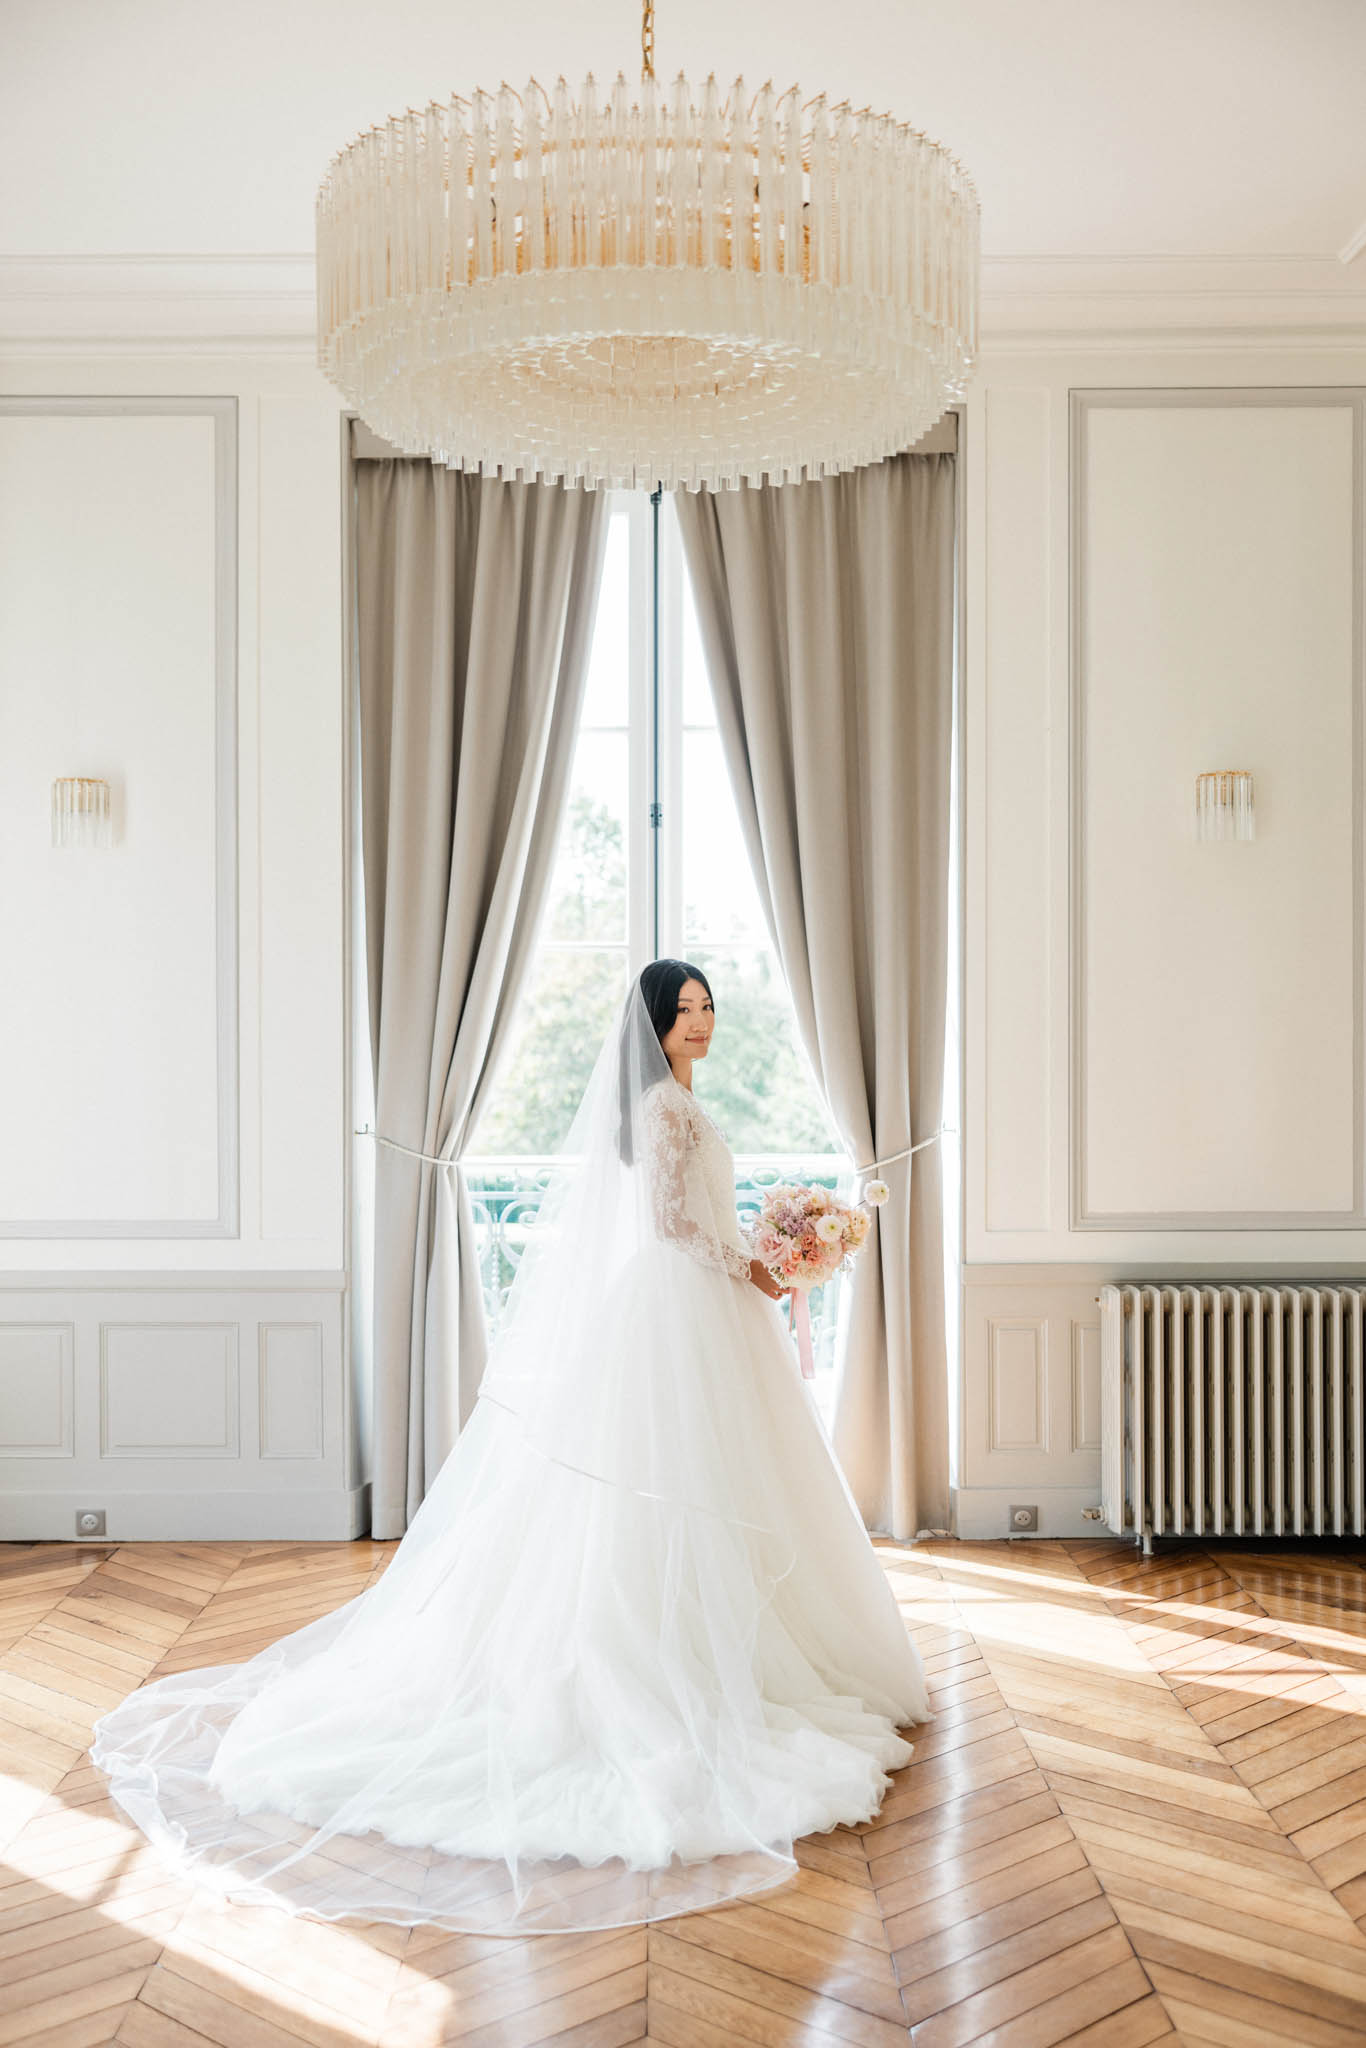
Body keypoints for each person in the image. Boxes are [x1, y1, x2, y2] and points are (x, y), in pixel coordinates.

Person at [90, 961, 930, 1935]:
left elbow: (694, 1215)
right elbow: (669, 1225)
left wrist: (769, 1246)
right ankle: (677, 1655)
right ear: (652, 1026)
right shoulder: (662, 1110)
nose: (699, 1022)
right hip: (682, 1307)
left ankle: (756, 1636)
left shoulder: (680, 1102)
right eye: (682, 1010)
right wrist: (758, 1261)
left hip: (708, 1306)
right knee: (672, 1481)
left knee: (732, 1478)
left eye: (707, 1007)